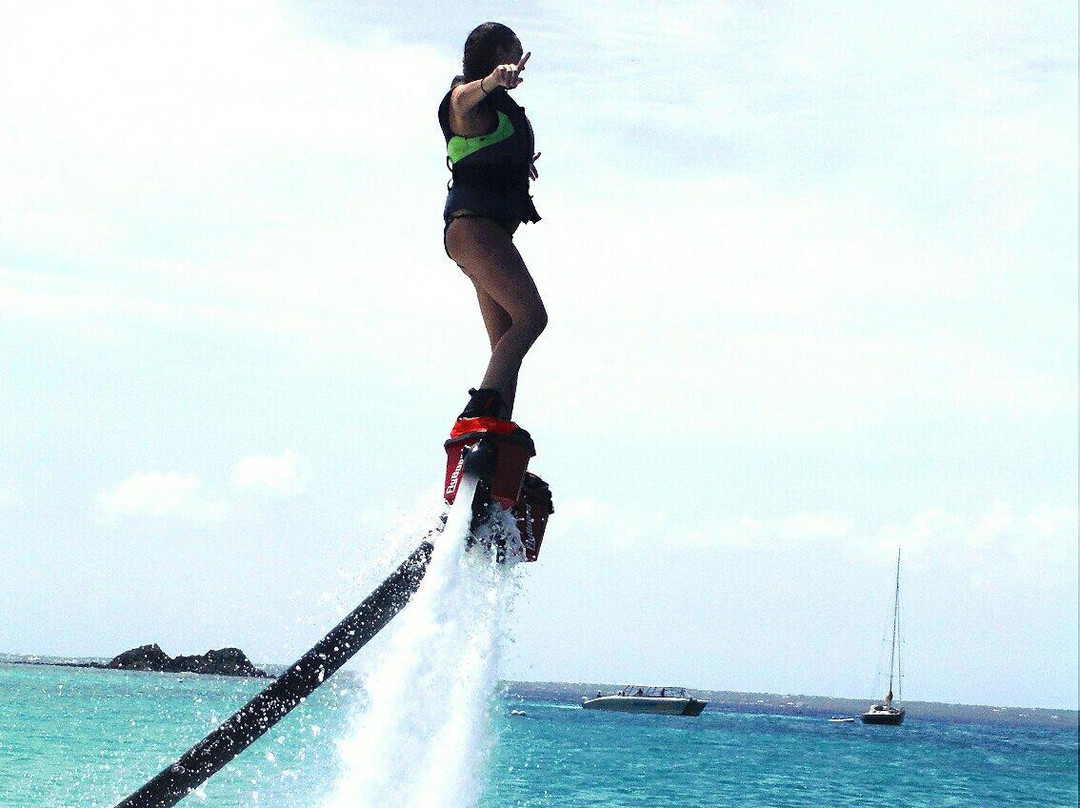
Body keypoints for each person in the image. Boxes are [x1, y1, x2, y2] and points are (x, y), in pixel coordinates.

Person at [439, 22, 546, 425]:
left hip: (486, 233)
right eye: (515, 48)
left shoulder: (495, 115)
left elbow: (485, 152)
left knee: (505, 342)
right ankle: (479, 414)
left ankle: (496, 430)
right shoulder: (466, 102)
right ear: (501, 53)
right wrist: (492, 80)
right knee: (531, 318)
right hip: (474, 229)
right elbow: (463, 100)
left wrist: (516, 167)